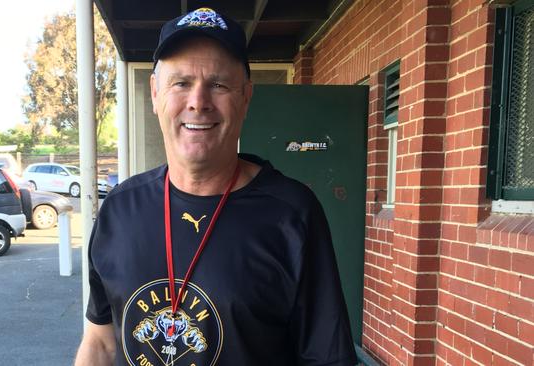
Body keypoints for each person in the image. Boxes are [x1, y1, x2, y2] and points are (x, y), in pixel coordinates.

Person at [75, 7, 357, 366]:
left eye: (219, 84)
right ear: (155, 93)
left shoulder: (292, 214)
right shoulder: (119, 209)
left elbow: (327, 358)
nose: (198, 102)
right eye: (181, 83)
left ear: (245, 97)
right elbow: (100, 343)